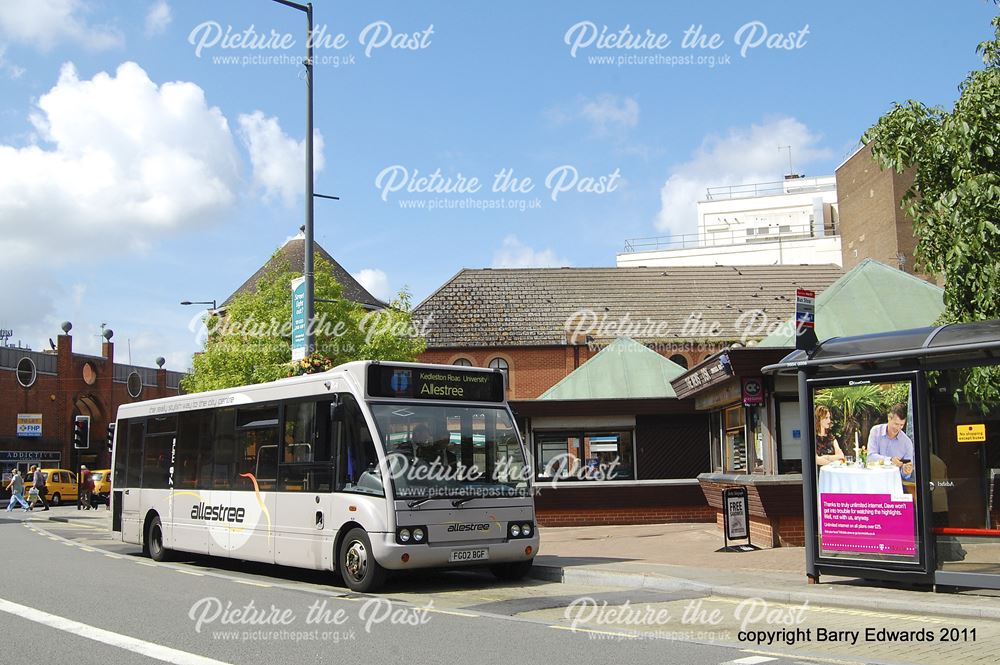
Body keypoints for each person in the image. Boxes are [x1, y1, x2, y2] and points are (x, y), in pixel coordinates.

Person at [867, 403, 915, 480]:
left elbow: (906, 475)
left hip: (893, 482)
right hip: (874, 479)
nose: (898, 428)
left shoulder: (907, 442)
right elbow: (870, 457)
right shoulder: (875, 431)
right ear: (889, 418)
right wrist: (890, 460)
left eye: (901, 425)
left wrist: (906, 471)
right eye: (896, 424)